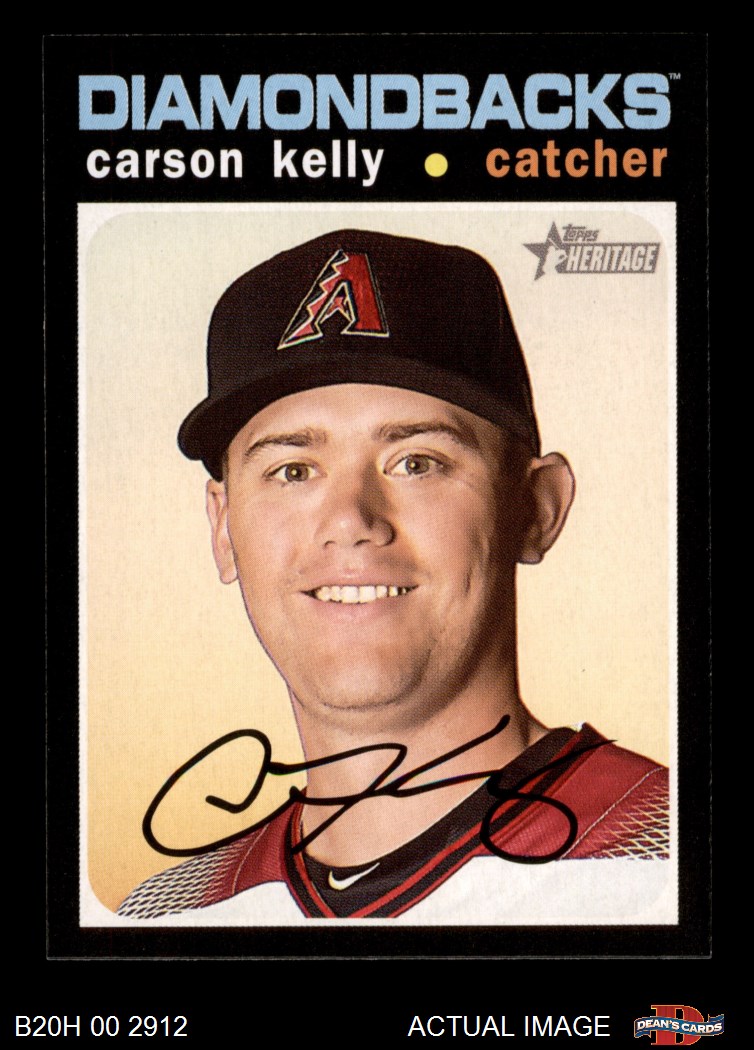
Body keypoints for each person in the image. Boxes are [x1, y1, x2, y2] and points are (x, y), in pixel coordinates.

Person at [118, 228, 669, 923]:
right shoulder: (162, 914)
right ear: (223, 530)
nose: (351, 520)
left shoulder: (667, 851)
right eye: (293, 470)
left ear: (537, 508)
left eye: (416, 463)